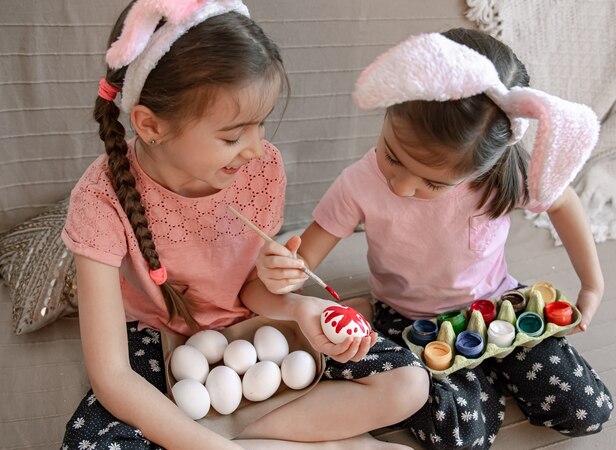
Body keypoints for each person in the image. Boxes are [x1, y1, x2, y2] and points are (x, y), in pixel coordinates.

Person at [60, 1, 429, 449]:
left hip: (253, 324)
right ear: (150, 125)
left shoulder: (260, 170)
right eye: (233, 136)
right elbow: (112, 376)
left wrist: (296, 307)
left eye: (260, 126)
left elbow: (253, 286)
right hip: (158, 346)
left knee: (409, 385)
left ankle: (247, 436)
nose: (255, 149)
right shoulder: (100, 202)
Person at [257, 28, 614, 449]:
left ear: (481, 168)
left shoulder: (501, 176)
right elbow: (302, 261)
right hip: (410, 320)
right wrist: (280, 270)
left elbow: (563, 201)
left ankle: (491, 375)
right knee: (460, 438)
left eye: (431, 182)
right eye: (392, 156)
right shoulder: (358, 184)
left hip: (502, 307)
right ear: (388, 112)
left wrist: (592, 282)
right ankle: (472, 382)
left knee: (587, 411)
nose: (402, 186)